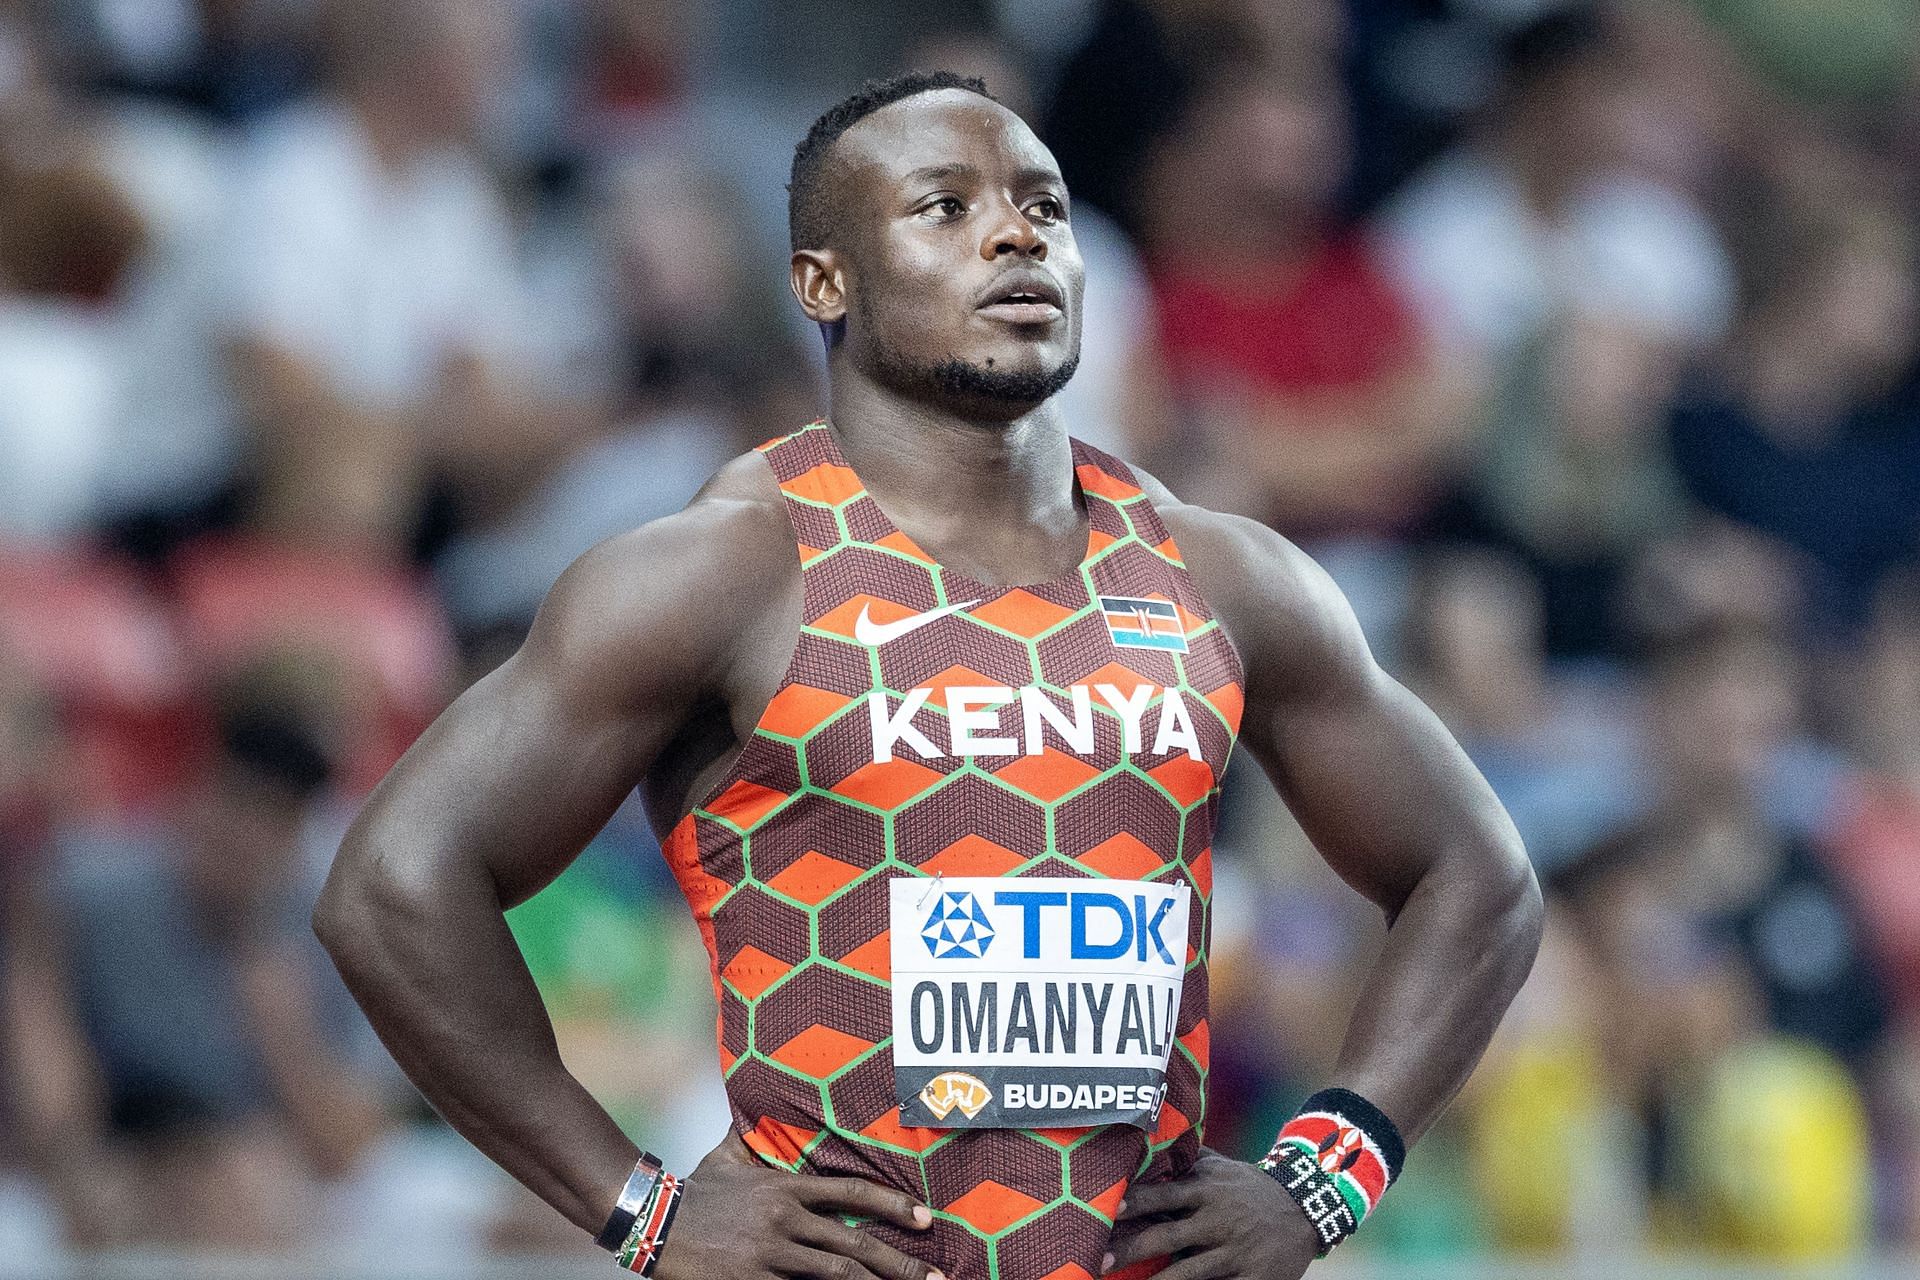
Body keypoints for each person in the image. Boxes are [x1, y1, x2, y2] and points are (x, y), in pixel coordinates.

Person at [315, 72, 1542, 1280]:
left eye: (1044, 207)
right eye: (944, 207)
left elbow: (1480, 877)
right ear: (822, 279)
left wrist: (1322, 1178)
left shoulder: (1219, 576)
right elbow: (390, 886)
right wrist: (643, 1208)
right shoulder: (732, 568)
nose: (1015, 231)